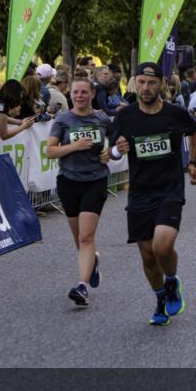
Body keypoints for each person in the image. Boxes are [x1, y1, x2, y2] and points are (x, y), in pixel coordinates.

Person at [110, 61, 196, 327]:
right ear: (135, 83)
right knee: (148, 255)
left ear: (161, 84)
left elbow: (195, 130)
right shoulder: (125, 116)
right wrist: (118, 148)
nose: (146, 88)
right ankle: (160, 299)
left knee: (162, 246)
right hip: (139, 193)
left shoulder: (175, 113)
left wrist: (192, 163)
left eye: (151, 83)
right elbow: (112, 150)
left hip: (169, 189)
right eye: (141, 82)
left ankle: (172, 281)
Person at [47, 78, 114, 307]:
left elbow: (115, 146)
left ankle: (82, 287)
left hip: (95, 180)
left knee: (86, 236)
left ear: (92, 94)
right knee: (79, 239)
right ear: (71, 94)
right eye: (76, 92)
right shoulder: (63, 120)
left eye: (84, 92)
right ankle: (92, 261)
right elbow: (50, 151)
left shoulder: (102, 118)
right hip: (68, 181)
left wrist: (110, 154)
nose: (79, 96)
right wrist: (74, 147)